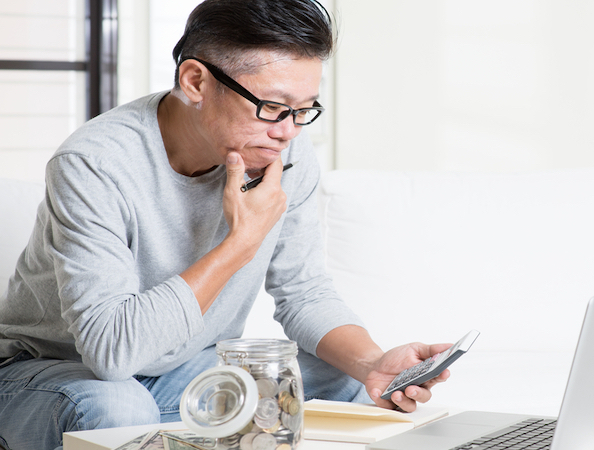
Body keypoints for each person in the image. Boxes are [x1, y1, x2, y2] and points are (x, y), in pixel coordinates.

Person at [0, 1, 451, 448]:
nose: (289, 130)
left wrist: (373, 363)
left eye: (304, 109)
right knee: (121, 409)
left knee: (338, 378)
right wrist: (241, 243)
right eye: (273, 106)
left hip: (180, 374)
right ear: (195, 81)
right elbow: (112, 352)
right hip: (53, 373)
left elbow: (304, 290)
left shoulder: (283, 148)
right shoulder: (94, 164)